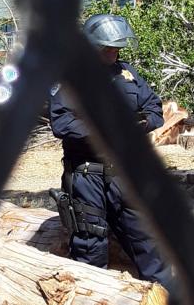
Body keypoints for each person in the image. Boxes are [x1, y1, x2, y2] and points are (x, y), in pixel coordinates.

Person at [49, 14, 173, 290]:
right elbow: (63, 123)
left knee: (148, 242)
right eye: (108, 47)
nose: (114, 52)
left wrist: (140, 123)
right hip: (87, 176)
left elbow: (154, 109)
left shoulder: (128, 75)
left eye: (117, 47)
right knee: (90, 246)